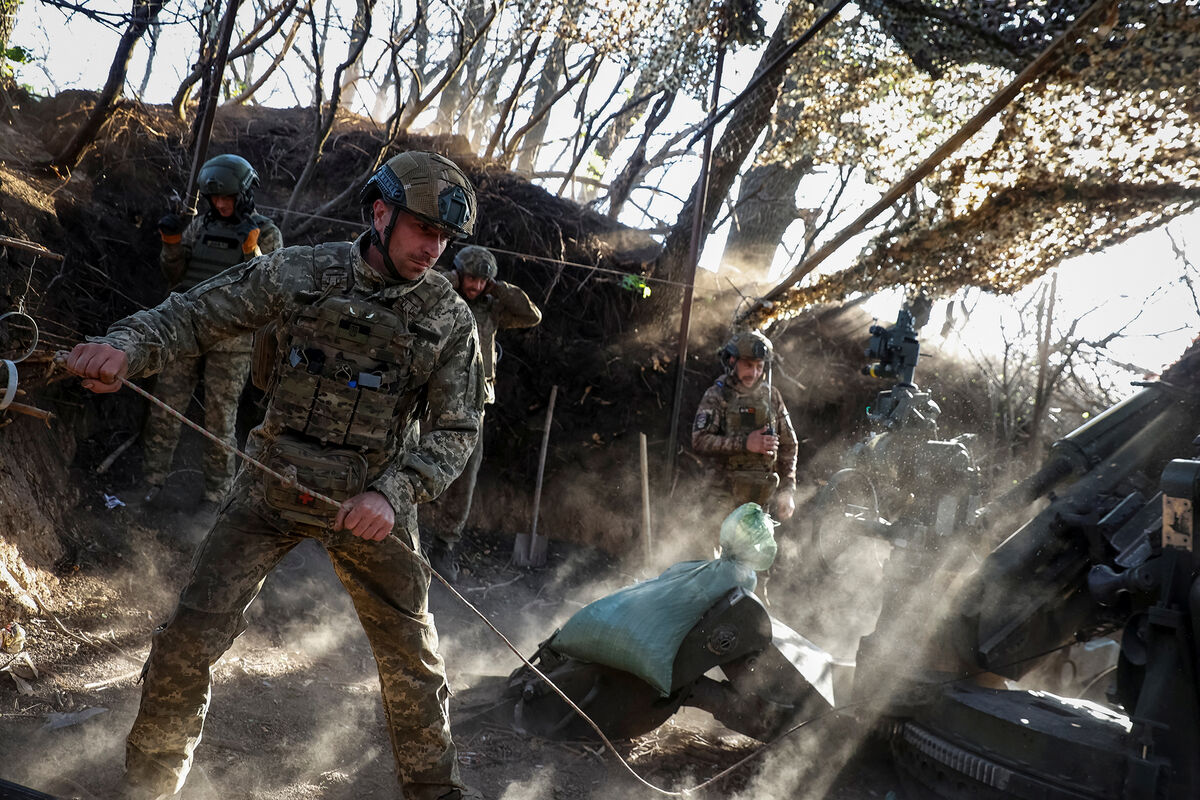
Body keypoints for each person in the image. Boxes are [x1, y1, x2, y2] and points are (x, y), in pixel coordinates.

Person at [66, 151, 485, 800]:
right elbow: (195, 314)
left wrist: (392, 492)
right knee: (187, 639)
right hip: (269, 487)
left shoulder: (449, 320)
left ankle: (436, 793)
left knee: (413, 663)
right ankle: (148, 785)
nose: (435, 247)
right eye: (423, 229)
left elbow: (459, 430)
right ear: (380, 213)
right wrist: (127, 344)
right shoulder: (300, 270)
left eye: (444, 237)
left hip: (372, 507)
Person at [146, 154, 283, 505]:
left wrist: (251, 250)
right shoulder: (201, 226)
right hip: (187, 329)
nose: (221, 205)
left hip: (232, 339)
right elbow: (175, 277)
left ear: (245, 194)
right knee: (164, 407)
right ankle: (151, 481)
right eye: (215, 198)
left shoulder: (265, 232)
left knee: (220, 421)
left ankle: (215, 496)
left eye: (228, 198)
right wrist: (172, 244)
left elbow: (271, 288)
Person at [426, 245, 542, 579]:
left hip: (474, 402)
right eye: (470, 278)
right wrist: (450, 279)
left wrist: (499, 288)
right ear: (459, 273)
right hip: (432, 394)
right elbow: (418, 286)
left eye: (481, 280)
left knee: (466, 477)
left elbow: (532, 315)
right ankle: (401, 530)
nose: (475, 286)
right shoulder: (442, 295)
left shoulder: (493, 309)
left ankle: (444, 547)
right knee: (411, 456)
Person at [692, 330, 797, 522]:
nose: (754, 373)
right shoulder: (717, 395)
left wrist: (788, 491)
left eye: (759, 366)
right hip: (719, 501)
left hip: (758, 504)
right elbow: (699, 440)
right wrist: (745, 444)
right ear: (732, 361)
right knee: (714, 552)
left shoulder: (771, 397)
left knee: (756, 552)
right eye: (748, 365)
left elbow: (789, 446)